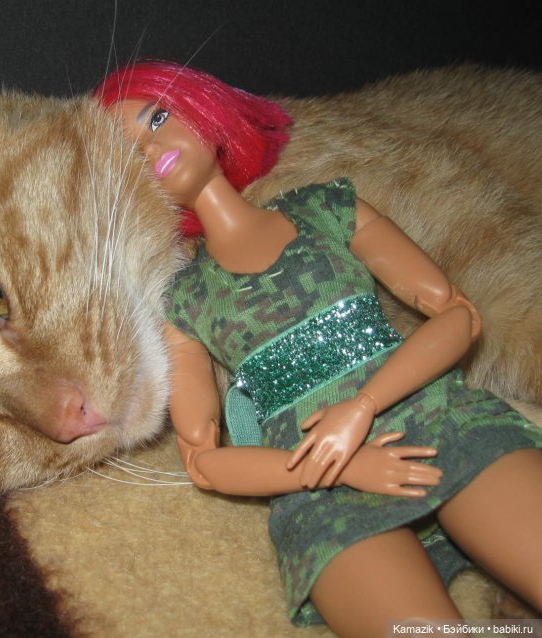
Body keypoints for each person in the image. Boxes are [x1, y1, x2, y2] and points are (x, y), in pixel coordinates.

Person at [95, 61, 542, 637]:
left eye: (158, 118)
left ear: (205, 110)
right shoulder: (185, 299)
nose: (153, 148)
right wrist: (334, 466)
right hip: (319, 488)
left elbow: (458, 315)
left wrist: (362, 407)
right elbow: (203, 460)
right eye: (128, 154)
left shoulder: (327, 209)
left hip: (435, 416)